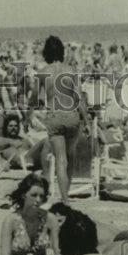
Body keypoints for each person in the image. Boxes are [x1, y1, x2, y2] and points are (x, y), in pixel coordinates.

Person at [34, 35, 91, 206]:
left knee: (61, 159)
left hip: (55, 116)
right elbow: (79, 98)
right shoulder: (71, 70)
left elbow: (36, 98)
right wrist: (87, 122)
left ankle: (64, 199)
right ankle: (66, 194)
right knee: (70, 158)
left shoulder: (43, 72)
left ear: (46, 53)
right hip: (72, 116)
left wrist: (30, 114)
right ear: (62, 51)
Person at [0, 174, 60, 255]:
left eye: (41, 196)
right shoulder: (11, 221)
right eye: (34, 195)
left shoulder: (50, 219)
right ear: (23, 195)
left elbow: (58, 253)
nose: (38, 200)